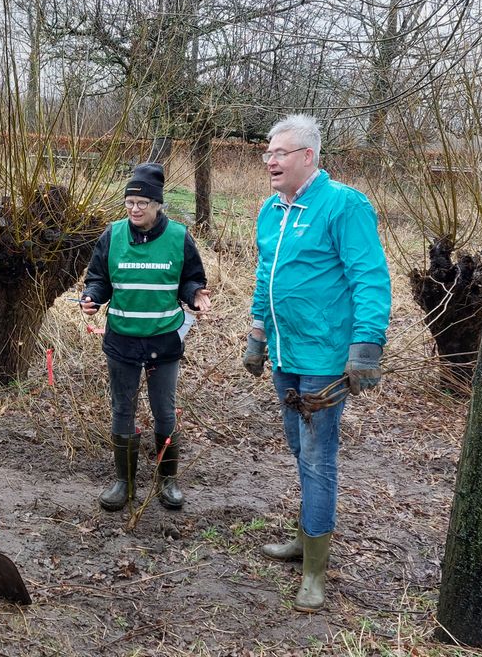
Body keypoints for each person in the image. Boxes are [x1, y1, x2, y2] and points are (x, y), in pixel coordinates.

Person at [242, 114, 391, 612]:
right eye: (268, 152)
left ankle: (314, 574)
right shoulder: (271, 210)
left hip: (326, 358)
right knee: (297, 448)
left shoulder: (344, 206)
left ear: (308, 156)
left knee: (318, 455)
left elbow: (370, 276)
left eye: (279, 153)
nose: (270, 160)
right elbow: (266, 273)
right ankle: (307, 537)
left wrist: (366, 346)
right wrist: (257, 332)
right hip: (285, 353)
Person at [80, 163, 211, 512]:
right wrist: (92, 297)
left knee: (164, 410)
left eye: (142, 203)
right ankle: (123, 481)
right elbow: (99, 279)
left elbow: (190, 278)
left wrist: (196, 294)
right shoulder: (112, 235)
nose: (135, 209)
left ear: (158, 205)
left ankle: (167, 480)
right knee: (122, 408)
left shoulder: (179, 237)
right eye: (130, 202)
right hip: (122, 339)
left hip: (163, 340)